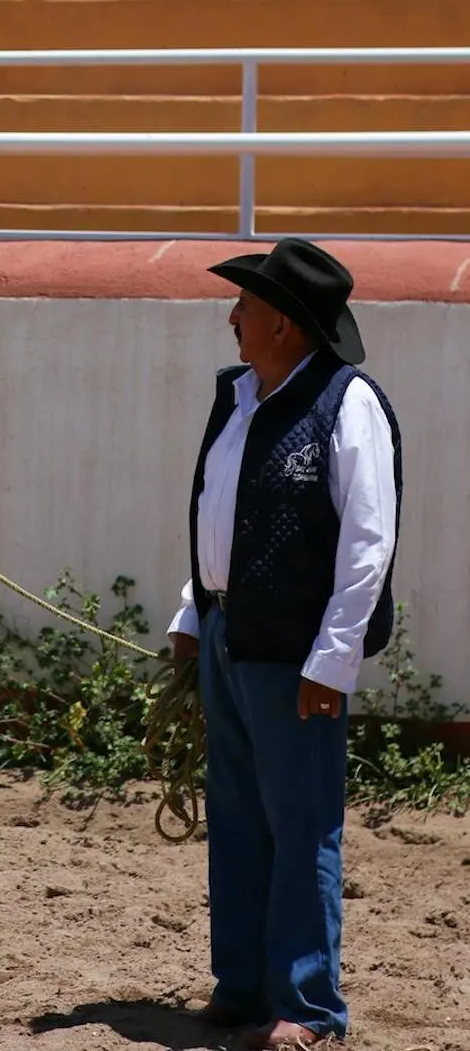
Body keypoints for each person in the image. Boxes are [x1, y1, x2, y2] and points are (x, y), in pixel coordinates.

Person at [166, 237, 403, 1048]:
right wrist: (192, 616)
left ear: (286, 326)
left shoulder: (348, 403)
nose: (232, 316)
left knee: (299, 823)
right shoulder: (237, 397)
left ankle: (306, 1006)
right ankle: (240, 985)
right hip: (229, 636)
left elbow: (366, 545)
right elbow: (215, 517)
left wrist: (333, 660)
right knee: (234, 815)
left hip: (297, 653)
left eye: (247, 304)